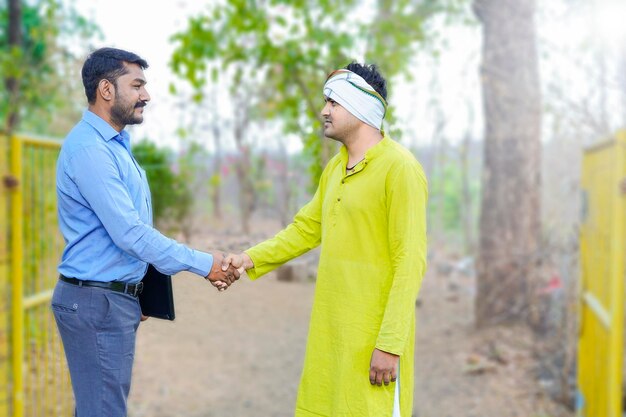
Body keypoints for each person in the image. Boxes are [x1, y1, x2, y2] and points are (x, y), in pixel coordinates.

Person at [223, 62, 428, 417]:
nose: (324, 111)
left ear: (362, 105)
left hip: (372, 342)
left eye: (333, 102)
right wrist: (249, 259)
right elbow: (306, 229)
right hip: (331, 335)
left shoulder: (400, 168)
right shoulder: (335, 167)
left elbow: (409, 261)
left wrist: (391, 345)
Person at [52, 47, 239, 417]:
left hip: (111, 301)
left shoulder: (116, 146)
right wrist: (206, 263)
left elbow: (132, 228)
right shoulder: (91, 150)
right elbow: (130, 234)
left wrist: (139, 290)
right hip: (96, 304)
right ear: (107, 90)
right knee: (103, 411)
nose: (146, 95)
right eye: (136, 85)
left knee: (99, 407)